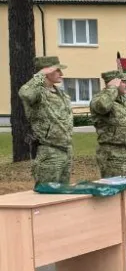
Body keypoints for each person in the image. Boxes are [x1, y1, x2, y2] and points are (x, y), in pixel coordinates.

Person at [18, 56, 74, 186]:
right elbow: (25, 93)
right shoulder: (37, 93)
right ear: (46, 72)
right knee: (48, 194)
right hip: (49, 152)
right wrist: (39, 75)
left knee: (63, 195)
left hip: (66, 150)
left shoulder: (61, 93)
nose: (61, 74)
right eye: (57, 70)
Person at [90, 71, 126, 178]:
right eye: (123, 82)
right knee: (114, 190)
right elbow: (103, 106)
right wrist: (112, 88)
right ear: (114, 83)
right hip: (112, 154)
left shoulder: (123, 101)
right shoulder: (100, 99)